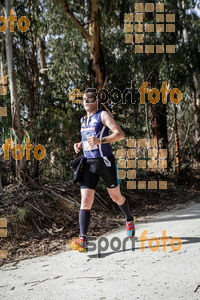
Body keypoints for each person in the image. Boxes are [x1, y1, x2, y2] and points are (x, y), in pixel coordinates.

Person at [70, 89, 135, 252]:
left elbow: (119, 134)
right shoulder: (83, 119)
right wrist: (79, 144)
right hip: (88, 164)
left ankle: (129, 218)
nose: (86, 101)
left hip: (105, 162)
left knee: (116, 197)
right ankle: (83, 239)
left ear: (96, 101)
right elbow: (87, 139)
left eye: (90, 99)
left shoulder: (103, 115)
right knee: (85, 201)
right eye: (84, 99)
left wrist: (101, 140)